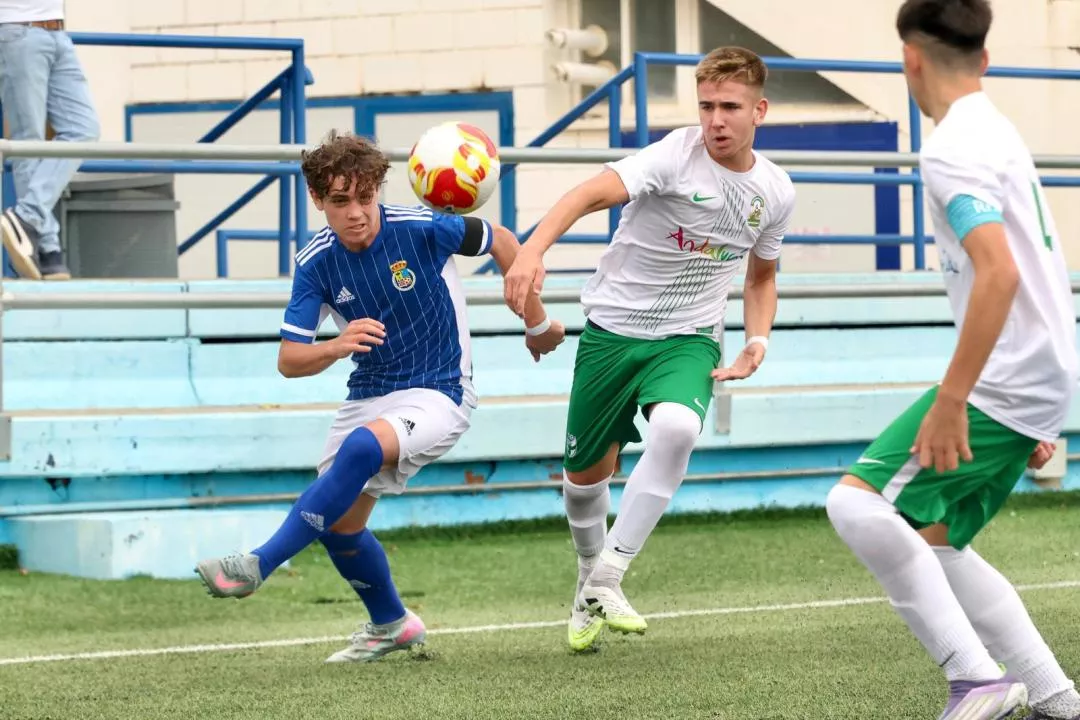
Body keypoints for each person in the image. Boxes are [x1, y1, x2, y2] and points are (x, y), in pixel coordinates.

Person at [195, 130, 566, 663]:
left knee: (360, 452)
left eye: (364, 198)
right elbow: (289, 361)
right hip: (369, 393)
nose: (356, 213)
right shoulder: (315, 262)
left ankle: (256, 564)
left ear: (378, 193)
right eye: (340, 201)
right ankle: (392, 623)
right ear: (318, 200)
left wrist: (536, 323)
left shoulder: (422, 228)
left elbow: (506, 243)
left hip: (440, 390)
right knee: (340, 526)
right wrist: (338, 345)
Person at [823, 1, 1080, 719]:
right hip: (1043, 371)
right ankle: (1057, 698)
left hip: (1010, 375)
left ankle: (976, 679)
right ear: (984, 60)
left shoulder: (949, 151)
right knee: (936, 542)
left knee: (856, 503)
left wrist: (953, 398)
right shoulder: (995, 127)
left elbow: (999, 272)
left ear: (909, 58)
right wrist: (1042, 405)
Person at [503, 46, 796, 653]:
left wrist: (756, 339)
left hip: (687, 337)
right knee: (586, 480)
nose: (716, 119)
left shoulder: (775, 192)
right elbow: (586, 194)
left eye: (730, 107)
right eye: (707, 105)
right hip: (612, 331)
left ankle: (609, 575)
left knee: (678, 430)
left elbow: (761, 276)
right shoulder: (674, 155)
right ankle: (588, 580)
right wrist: (531, 252)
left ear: (759, 110)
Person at [0, 0, 99, 280]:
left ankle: (27, 218)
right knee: (28, 143)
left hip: (57, 33)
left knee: (84, 129)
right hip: (17, 30)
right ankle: (47, 251)